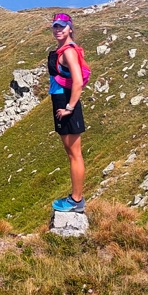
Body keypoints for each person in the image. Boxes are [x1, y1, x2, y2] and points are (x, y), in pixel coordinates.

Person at [47, 13, 89, 213]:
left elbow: (78, 82)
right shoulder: (63, 49)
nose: (58, 30)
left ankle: (76, 200)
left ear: (70, 28)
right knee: (72, 154)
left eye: (62, 26)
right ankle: (76, 198)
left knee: (74, 155)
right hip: (62, 102)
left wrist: (69, 108)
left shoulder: (69, 52)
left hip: (66, 104)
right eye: (55, 26)